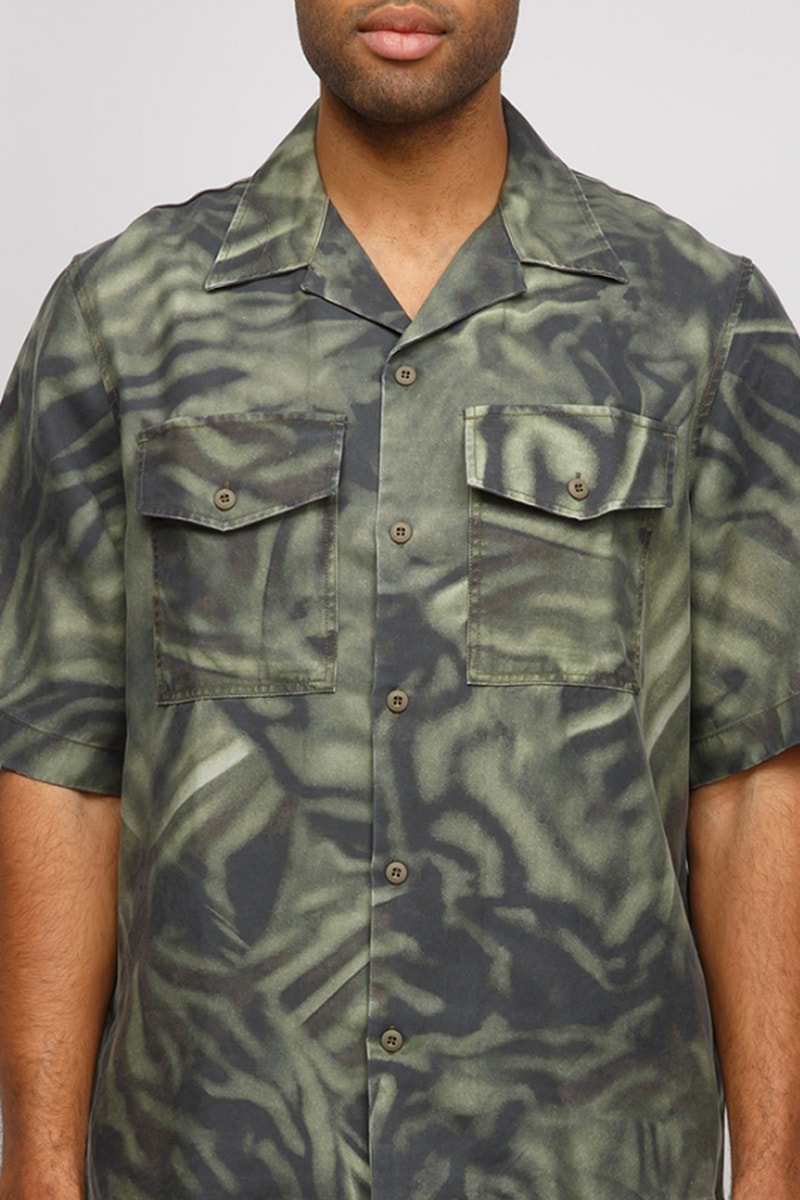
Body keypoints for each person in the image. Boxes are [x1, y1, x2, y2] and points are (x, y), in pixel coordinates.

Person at [0, 1, 799, 1197]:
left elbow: (751, 788)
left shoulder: (700, 324)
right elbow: (56, 775)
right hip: (207, 1161)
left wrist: (776, 1175)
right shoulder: (120, 321)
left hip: (585, 1164)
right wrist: (37, 1169)